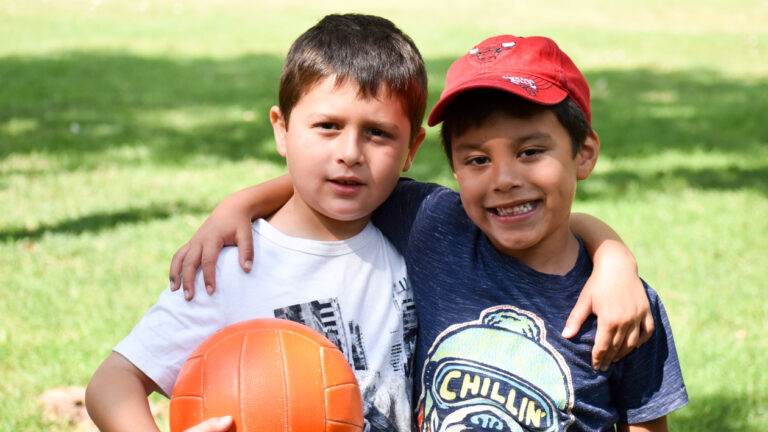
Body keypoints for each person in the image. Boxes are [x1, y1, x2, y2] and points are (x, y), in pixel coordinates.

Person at [168, 35, 686, 430]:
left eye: (531, 152)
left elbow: (644, 420)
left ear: (584, 153)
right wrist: (240, 203)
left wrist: (613, 257)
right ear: (455, 170)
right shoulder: (436, 225)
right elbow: (340, 179)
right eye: (477, 159)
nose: (505, 179)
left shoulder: (624, 308)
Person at [86, 13, 428, 432]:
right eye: (327, 126)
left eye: (377, 133)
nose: (350, 152)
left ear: (411, 148)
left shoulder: (415, 235)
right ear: (281, 130)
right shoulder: (231, 266)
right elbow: (111, 383)